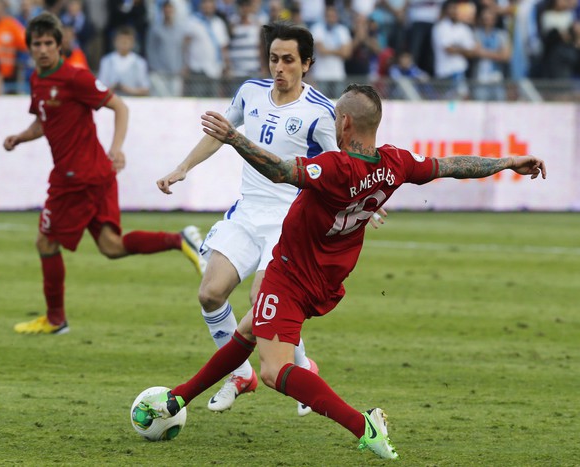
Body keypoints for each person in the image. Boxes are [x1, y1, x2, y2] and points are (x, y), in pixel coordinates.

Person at [135, 83, 547, 460]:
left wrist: (234, 137)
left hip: (291, 274)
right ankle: (177, 399)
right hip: (327, 280)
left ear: (345, 122)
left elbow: (281, 171)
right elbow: (453, 165)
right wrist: (508, 161)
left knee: (274, 370)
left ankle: (363, 425)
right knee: (248, 331)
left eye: (335, 116)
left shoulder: (335, 167)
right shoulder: (396, 163)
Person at [157, 21, 386, 416]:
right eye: (273, 59)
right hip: (247, 212)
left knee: (260, 299)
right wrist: (183, 167)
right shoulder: (250, 92)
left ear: (307, 64)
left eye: (288, 60)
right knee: (210, 293)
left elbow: (344, 162)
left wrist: (367, 195)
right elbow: (221, 133)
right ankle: (241, 374)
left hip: (289, 221)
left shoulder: (320, 112)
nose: (279, 67)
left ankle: (302, 366)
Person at [3, 12, 205, 335]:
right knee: (111, 246)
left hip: (77, 178)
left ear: (59, 45)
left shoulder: (75, 78)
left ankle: (55, 320)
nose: (42, 50)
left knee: (46, 242)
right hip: (91, 175)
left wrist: (117, 148)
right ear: (29, 48)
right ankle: (180, 239)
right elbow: (43, 121)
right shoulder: (37, 80)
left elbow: (120, 106)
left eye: (48, 43)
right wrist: (20, 137)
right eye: (37, 44)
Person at [98, 26, 149, 96]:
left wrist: (128, 90)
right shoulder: (106, 61)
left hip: (133, 101)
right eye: (121, 40)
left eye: (128, 40)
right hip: (111, 101)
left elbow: (145, 90)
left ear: (133, 43)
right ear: (115, 41)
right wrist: (113, 87)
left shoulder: (140, 62)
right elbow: (100, 89)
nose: (124, 43)